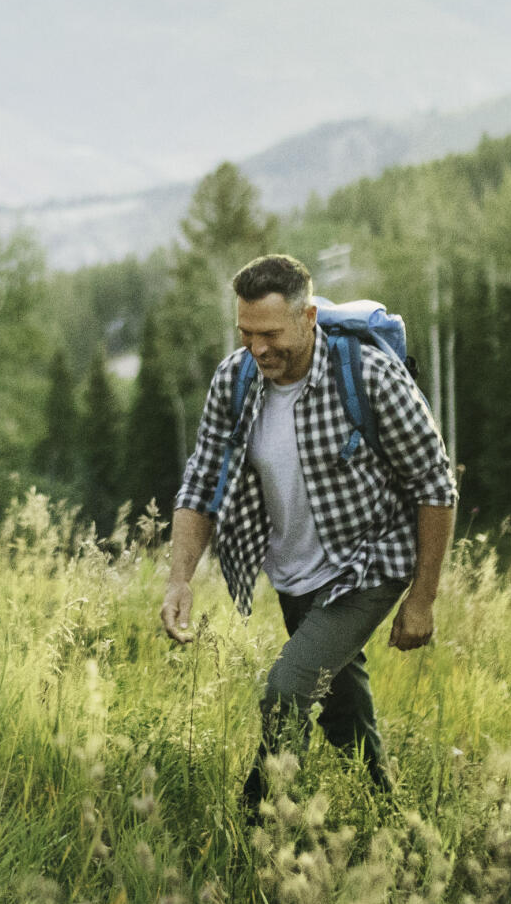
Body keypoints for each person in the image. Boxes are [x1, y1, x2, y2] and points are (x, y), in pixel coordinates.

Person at [160, 254, 458, 809]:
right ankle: (388, 819)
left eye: (271, 333)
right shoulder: (235, 378)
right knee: (341, 712)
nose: (258, 348)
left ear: (308, 317)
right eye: (246, 333)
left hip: (369, 564)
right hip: (293, 574)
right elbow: (201, 485)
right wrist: (180, 580)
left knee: (286, 692)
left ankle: (262, 820)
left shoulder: (368, 374)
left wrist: (423, 597)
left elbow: (435, 485)